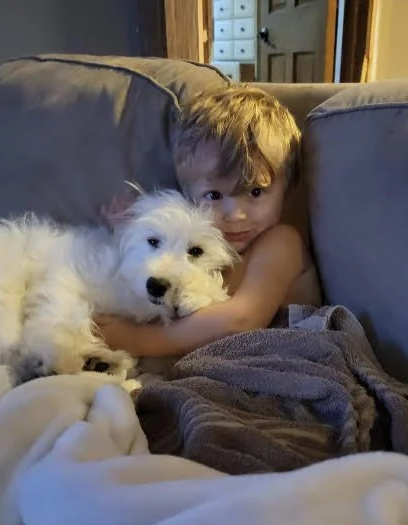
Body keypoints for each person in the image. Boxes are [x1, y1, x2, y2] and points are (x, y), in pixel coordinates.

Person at [95, 85, 321, 358]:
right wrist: (128, 227)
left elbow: (241, 320)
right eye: (214, 195)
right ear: (189, 196)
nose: (235, 215)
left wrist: (137, 341)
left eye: (256, 192)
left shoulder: (281, 243)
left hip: (283, 356)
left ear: (287, 188)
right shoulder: (198, 247)